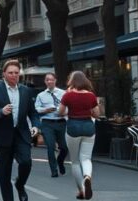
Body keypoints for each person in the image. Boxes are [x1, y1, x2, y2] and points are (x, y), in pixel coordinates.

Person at [0, 59, 41, 201]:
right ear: (4, 73)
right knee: (4, 173)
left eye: (16, 73)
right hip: (2, 135)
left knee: (26, 162)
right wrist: (0, 111)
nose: (14, 75)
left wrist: (35, 126)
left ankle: (20, 184)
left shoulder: (26, 91)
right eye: (10, 73)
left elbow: (33, 113)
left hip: (21, 133)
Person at [59, 71, 99, 201]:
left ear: (72, 81)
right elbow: (97, 114)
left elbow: (60, 112)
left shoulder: (67, 95)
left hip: (73, 127)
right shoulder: (91, 96)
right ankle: (87, 176)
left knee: (75, 161)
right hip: (88, 127)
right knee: (86, 158)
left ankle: (82, 190)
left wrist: (68, 110)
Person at [34, 72, 68, 177]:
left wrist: (64, 112)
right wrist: (46, 110)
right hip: (47, 123)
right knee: (50, 146)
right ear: (45, 81)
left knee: (64, 147)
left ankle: (60, 161)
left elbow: (68, 107)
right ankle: (54, 170)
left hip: (61, 122)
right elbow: (36, 109)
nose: (49, 81)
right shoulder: (41, 95)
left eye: (51, 79)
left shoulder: (63, 93)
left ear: (55, 80)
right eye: (47, 80)